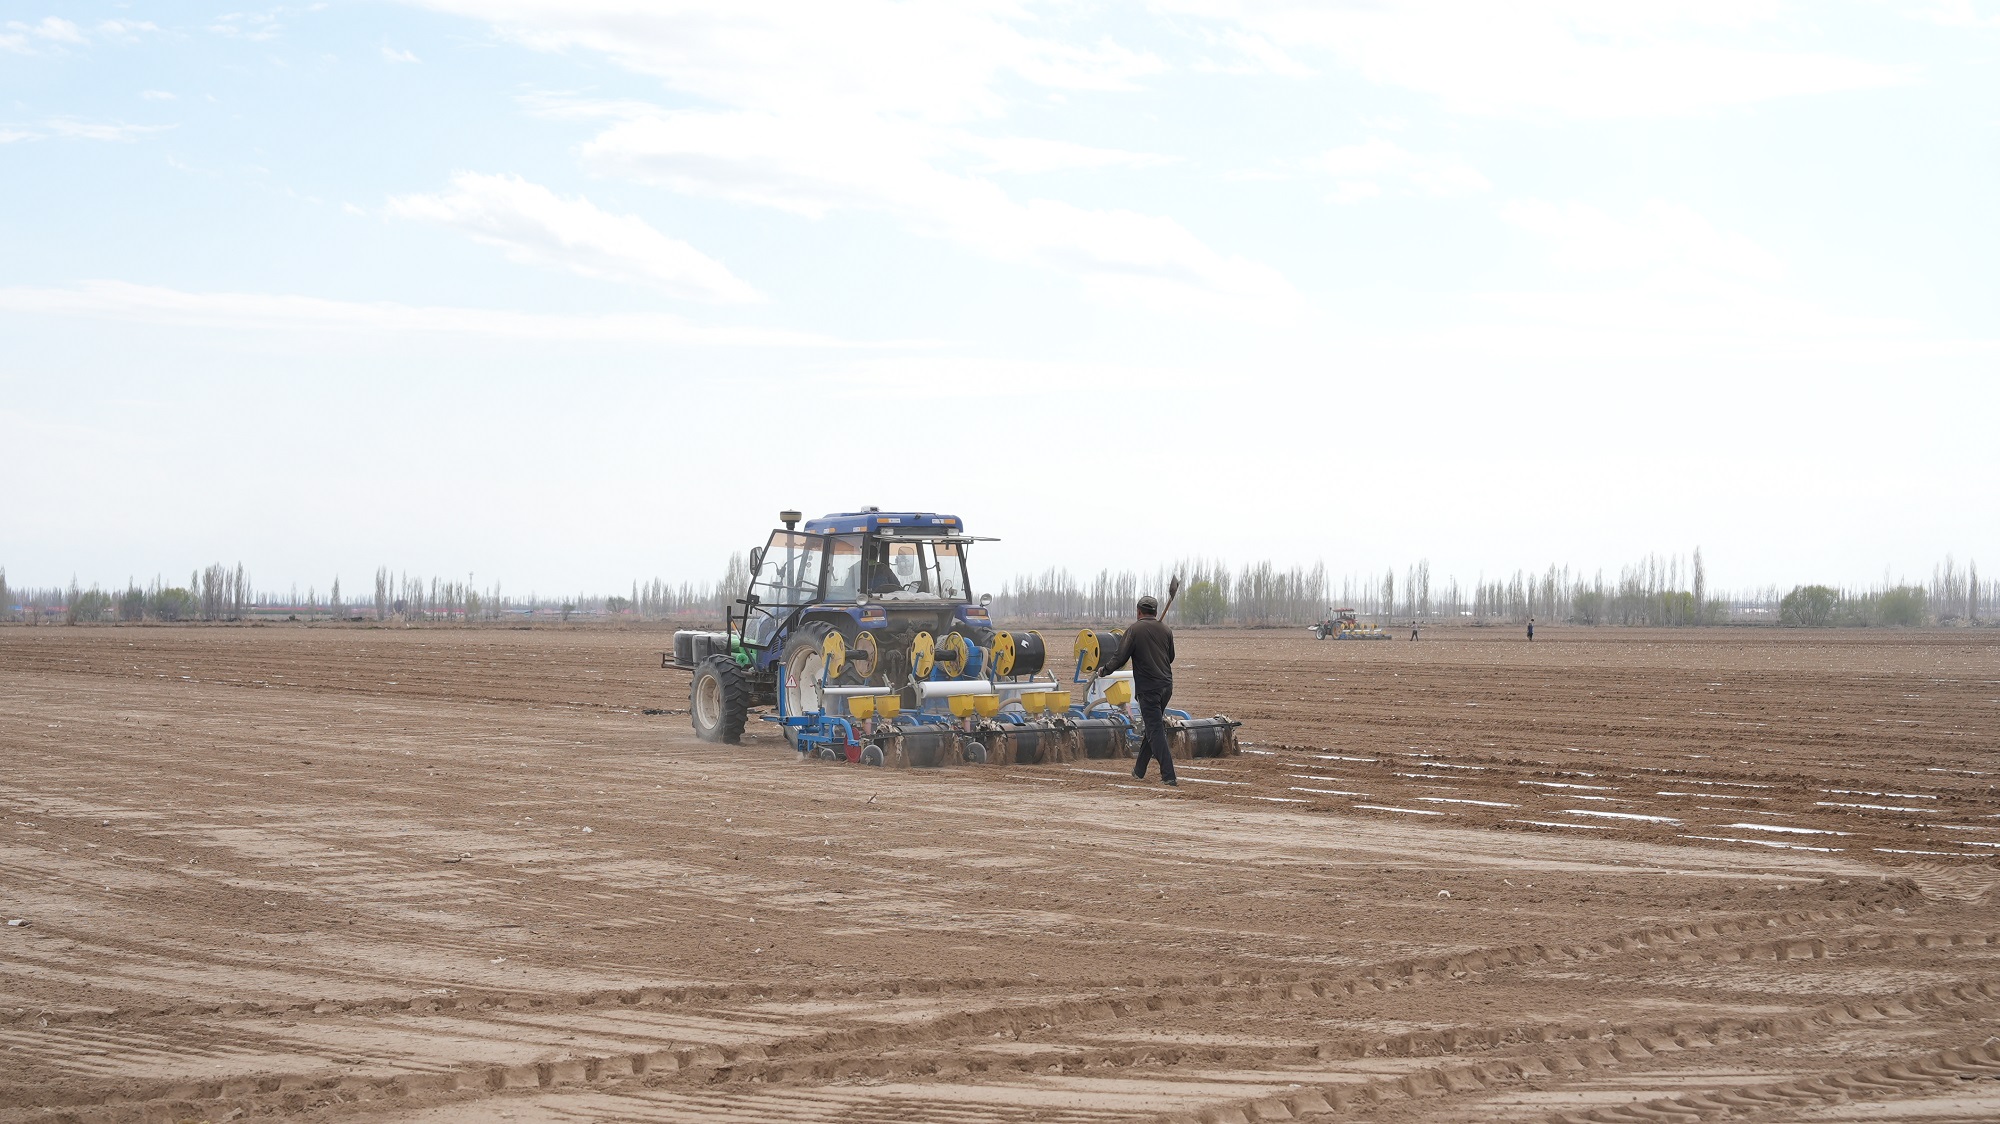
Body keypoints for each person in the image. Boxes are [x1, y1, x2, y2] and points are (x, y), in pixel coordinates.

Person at [1099, 594, 1177, 786]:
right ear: (1155, 612)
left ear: (1139, 612)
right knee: (1152, 726)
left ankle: (1169, 775)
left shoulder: (1134, 630)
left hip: (1149, 688)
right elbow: (1170, 657)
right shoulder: (1166, 630)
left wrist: (1104, 670)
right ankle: (1139, 770)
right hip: (1166, 686)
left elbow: (1120, 658)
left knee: (1155, 730)